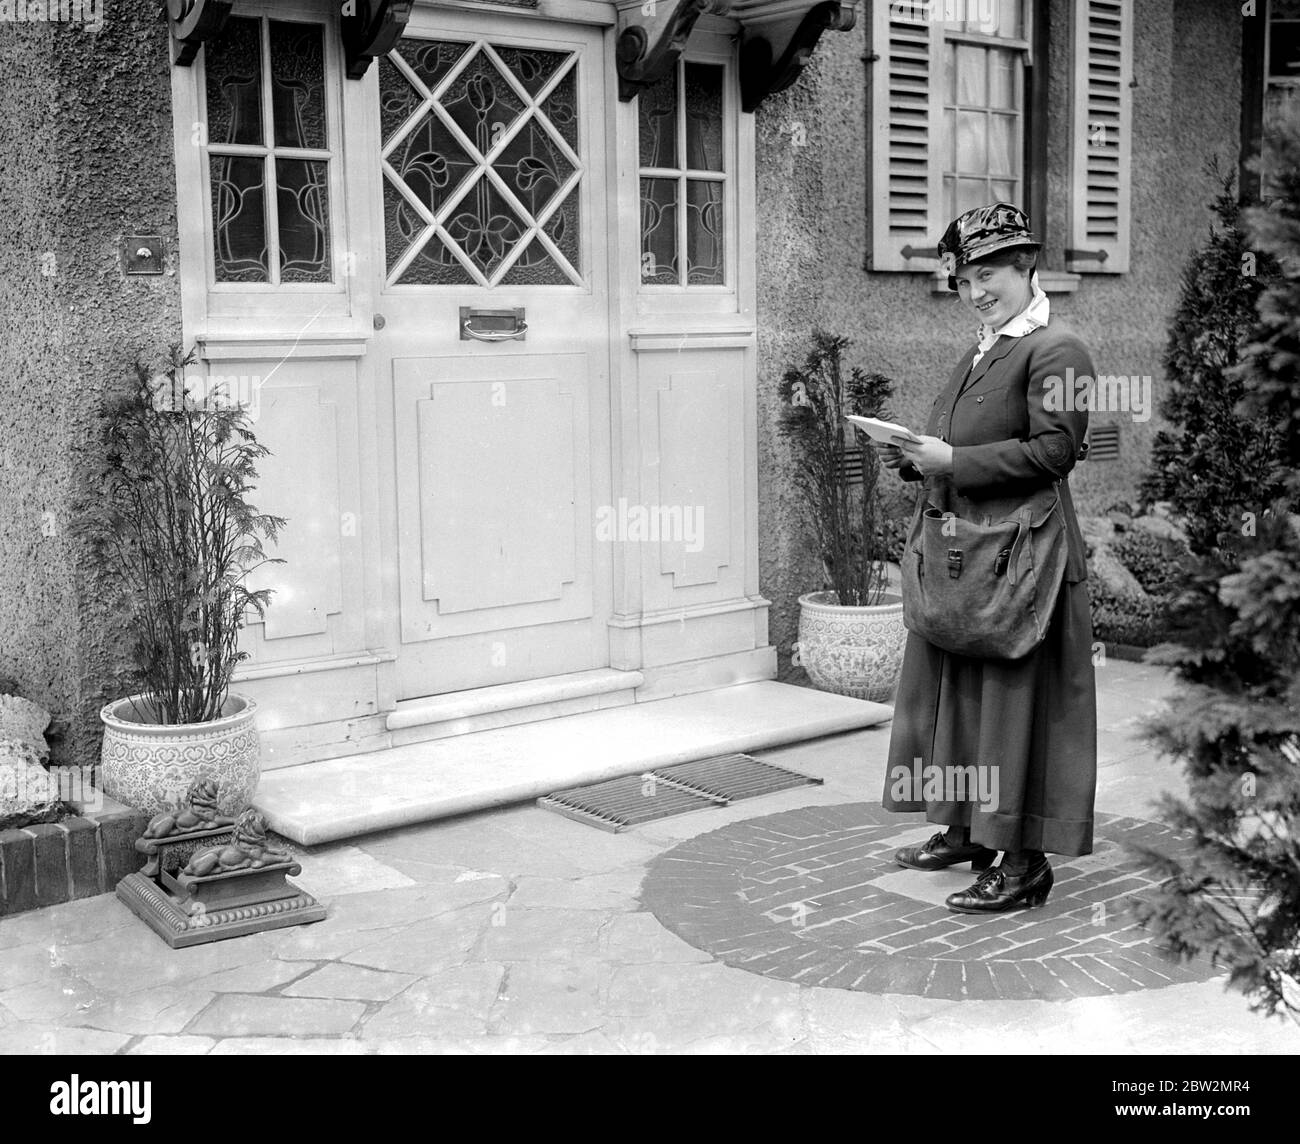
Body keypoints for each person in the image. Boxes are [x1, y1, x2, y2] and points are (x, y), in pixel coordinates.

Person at [872, 202, 1097, 914]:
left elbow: (1055, 451)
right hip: (972, 556)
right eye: (966, 278)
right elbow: (962, 440)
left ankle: (1025, 862)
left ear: (1027, 266)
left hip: (1027, 559)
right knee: (963, 697)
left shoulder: (1059, 349)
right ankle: (969, 828)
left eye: (991, 273)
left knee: (1015, 710)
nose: (977, 290)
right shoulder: (986, 346)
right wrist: (920, 459)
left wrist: (954, 459)